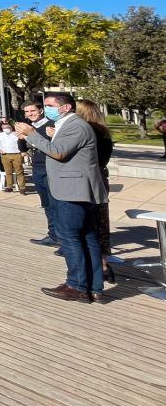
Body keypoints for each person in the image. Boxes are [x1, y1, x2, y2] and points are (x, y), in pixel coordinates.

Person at [15, 92, 108, 303]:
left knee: (71, 237)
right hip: (72, 189)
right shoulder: (68, 125)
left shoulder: (76, 125)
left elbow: (58, 152)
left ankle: (77, 285)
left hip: (72, 191)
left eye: (48, 105)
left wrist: (32, 134)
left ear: (65, 108)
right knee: (87, 237)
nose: (45, 109)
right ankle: (94, 287)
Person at [77, 98, 116, 286]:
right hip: (102, 177)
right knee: (101, 220)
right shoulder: (105, 133)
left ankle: (97, 266)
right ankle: (104, 260)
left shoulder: (85, 132)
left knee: (88, 222)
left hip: (87, 179)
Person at [23, 102, 57, 247]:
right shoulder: (28, 127)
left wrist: (31, 135)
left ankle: (63, 237)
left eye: (33, 110)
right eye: (27, 112)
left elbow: (53, 146)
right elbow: (23, 148)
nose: (30, 114)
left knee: (55, 204)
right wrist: (21, 138)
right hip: (37, 168)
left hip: (50, 168)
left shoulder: (51, 125)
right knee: (47, 204)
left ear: (41, 110)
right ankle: (53, 235)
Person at [0, 121, 26, 194]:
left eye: (7, 127)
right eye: (4, 128)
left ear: (11, 127)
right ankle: (9, 186)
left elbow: (22, 143)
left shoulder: (16, 134)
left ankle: (22, 187)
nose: (6, 129)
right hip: (5, 155)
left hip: (16, 154)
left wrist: (23, 152)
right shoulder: (0, 135)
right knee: (8, 171)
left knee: (19, 171)